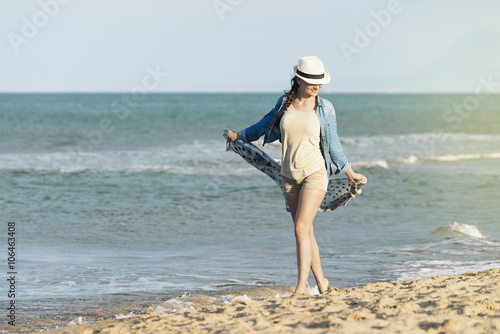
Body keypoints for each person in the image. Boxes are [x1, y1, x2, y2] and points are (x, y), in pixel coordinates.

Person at [225, 56, 367, 295]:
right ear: (299, 79)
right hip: (289, 176)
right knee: (306, 230)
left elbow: (333, 144)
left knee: (300, 229)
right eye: (312, 80)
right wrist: (238, 135)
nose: (317, 85)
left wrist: (349, 171)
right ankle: (322, 281)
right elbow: (262, 126)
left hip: (315, 174)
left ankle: (301, 287)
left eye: (320, 81)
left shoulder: (325, 108)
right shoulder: (284, 104)